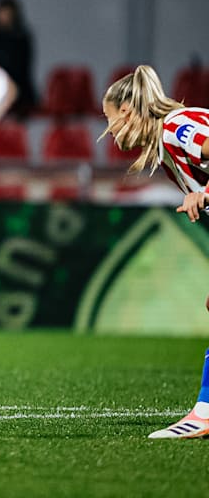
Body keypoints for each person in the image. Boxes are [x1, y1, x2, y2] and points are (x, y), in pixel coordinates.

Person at [102, 64, 209, 439]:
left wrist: (205, 194)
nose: (110, 131)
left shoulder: (178, 129)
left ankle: (206, 411)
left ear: (128, 112)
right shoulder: (166, 149)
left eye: (110, 119)